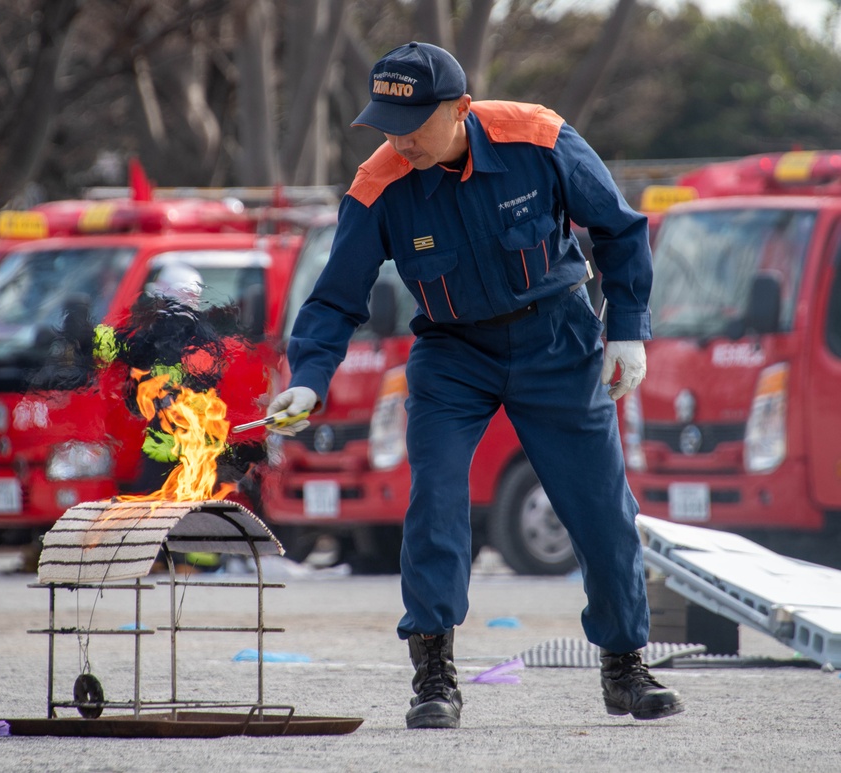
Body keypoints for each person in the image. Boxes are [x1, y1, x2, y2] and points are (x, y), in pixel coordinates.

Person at [265, 42, 684, 728]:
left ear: (460, 109)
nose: (399, 141)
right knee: (435, 502)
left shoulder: (540, 136)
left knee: (601, 510)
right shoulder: (379, 183)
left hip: (557, 338)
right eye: (387, 126)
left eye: (414, 125)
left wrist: (628, 327)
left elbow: (619, 227)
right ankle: (434, 673)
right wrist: (308, 379)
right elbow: (334, 297)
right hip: (453, 353)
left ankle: (625, 665)